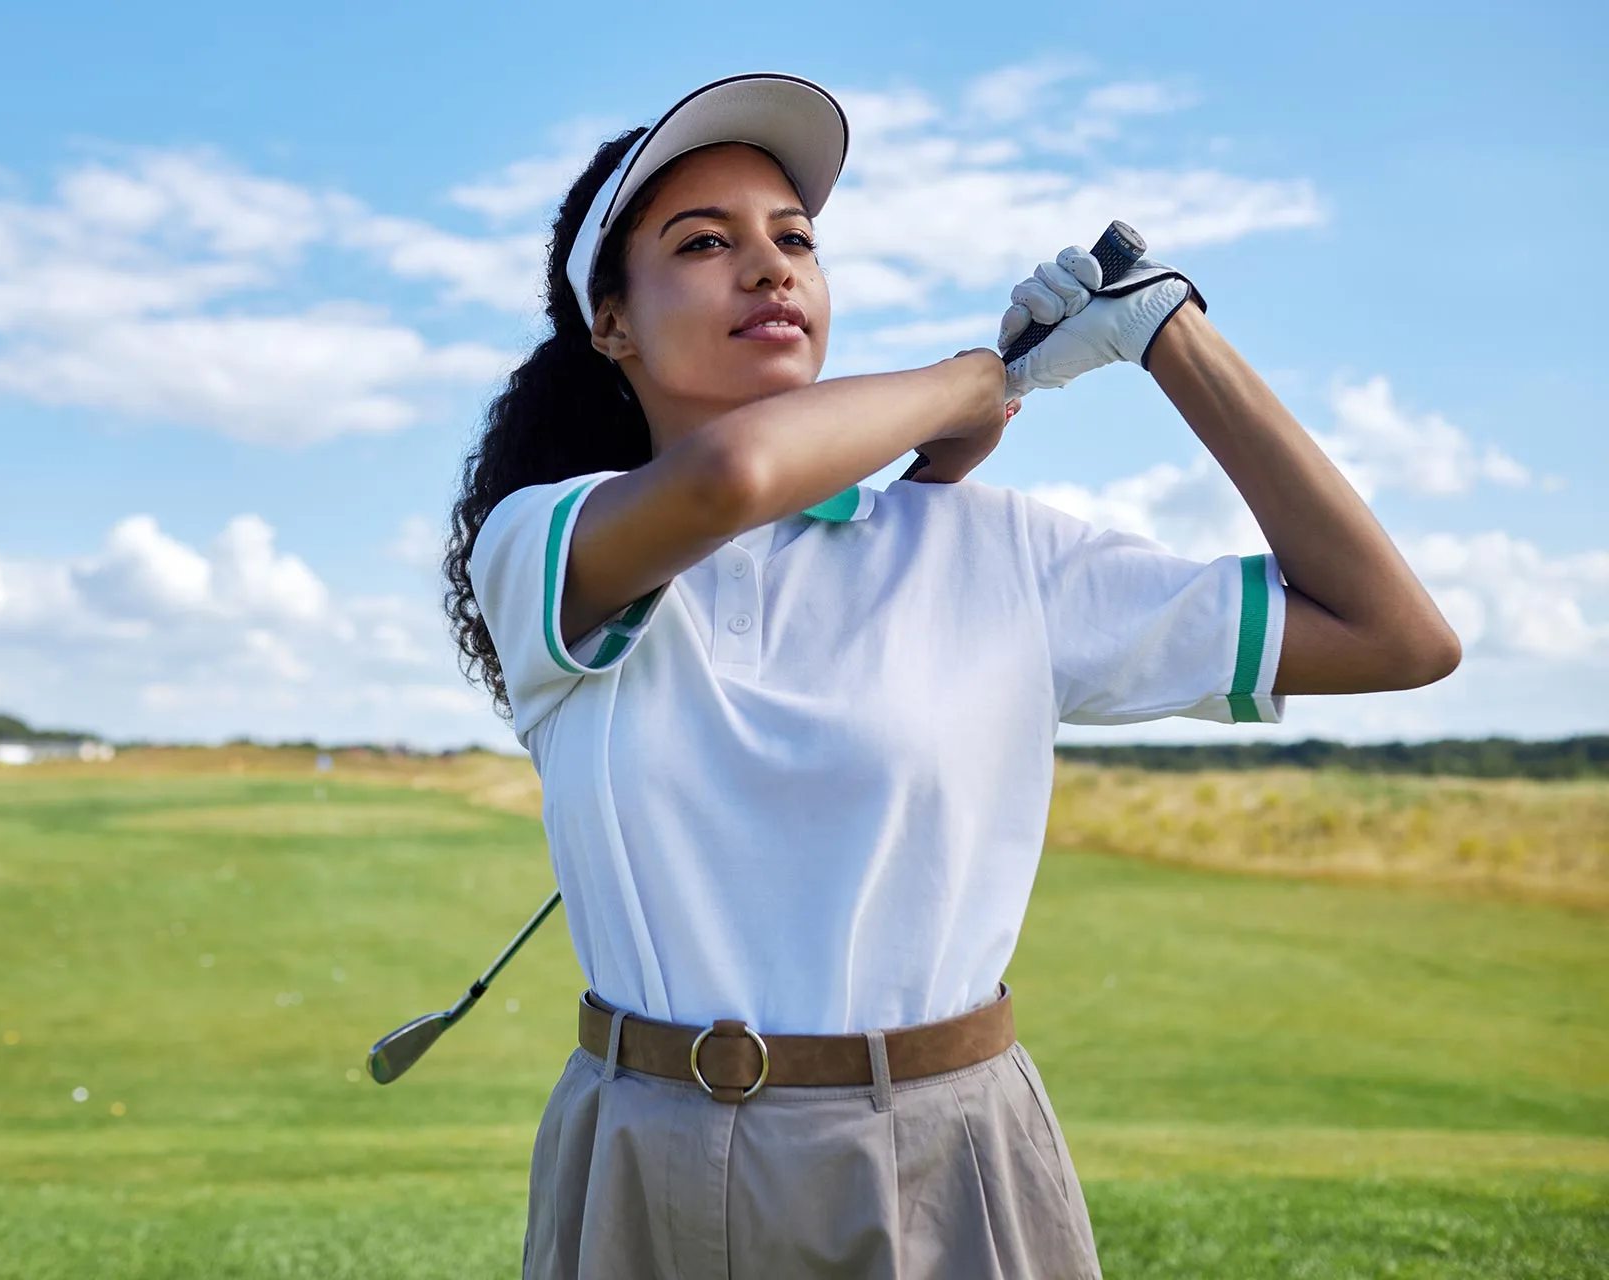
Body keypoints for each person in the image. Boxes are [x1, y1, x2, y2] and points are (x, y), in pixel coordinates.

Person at [443, 73, 1459, 1279]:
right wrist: (988, 380)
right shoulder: (544, 542)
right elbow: (727, 482)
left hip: (945, 1145)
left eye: (796, 240)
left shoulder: (997, 550)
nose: (769, 269)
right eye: (704, 243)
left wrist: (1164, 330)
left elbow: (1398, 635)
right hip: (641, 1151)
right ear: (610, 322)